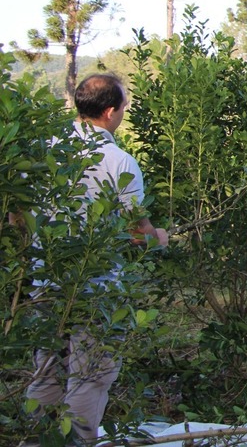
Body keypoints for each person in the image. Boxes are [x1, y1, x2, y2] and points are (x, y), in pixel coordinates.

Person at [26, 74, 168, 444]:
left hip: (46, 282)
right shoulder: (119, 162)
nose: (123, 114)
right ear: (108, 112)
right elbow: (138, 233)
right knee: (90, 375)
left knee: (47, 370)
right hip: (97, 293)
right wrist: (160, 238)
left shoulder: (45, 149)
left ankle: (37, 439)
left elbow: (17, 214)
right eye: (123, 108)